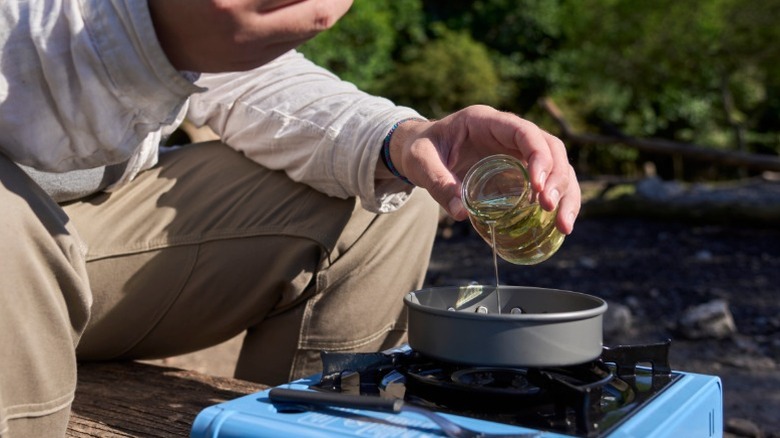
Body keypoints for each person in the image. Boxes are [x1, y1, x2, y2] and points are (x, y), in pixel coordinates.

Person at [0, 1, 581, 436]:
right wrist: (148, 40)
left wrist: (403, 142)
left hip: (86, 231)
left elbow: (233, 79)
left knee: (382, 192)